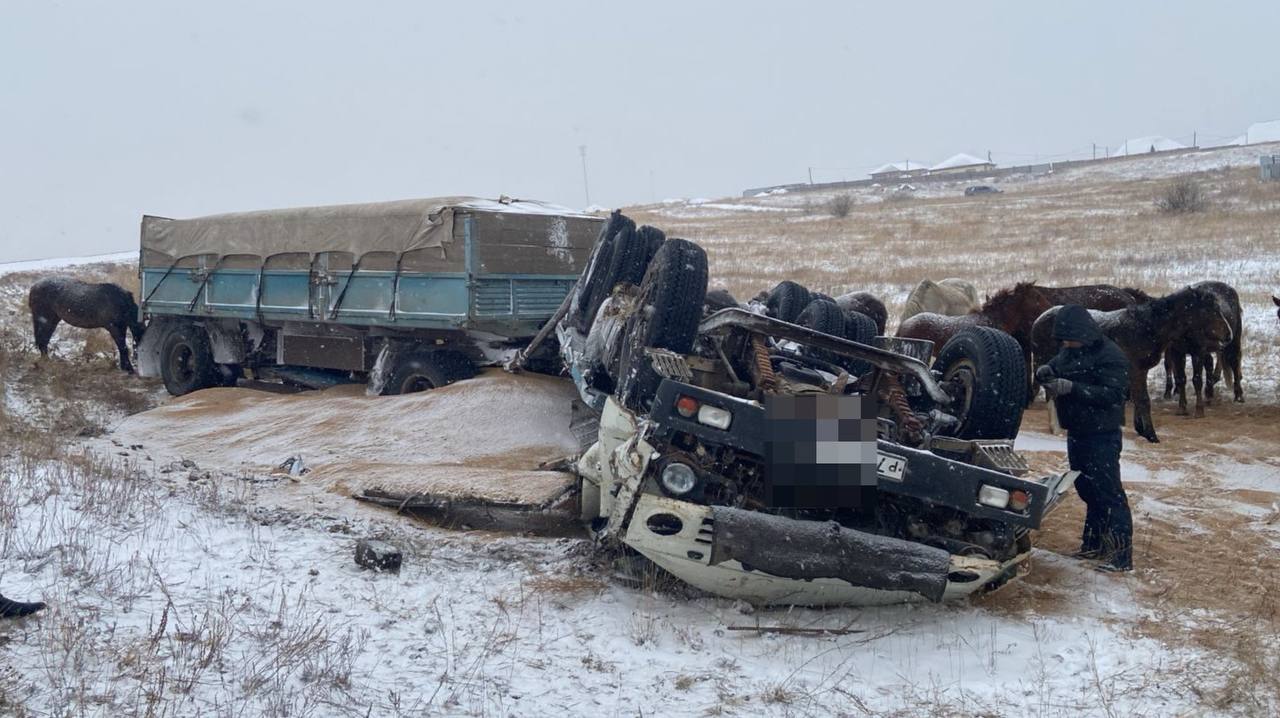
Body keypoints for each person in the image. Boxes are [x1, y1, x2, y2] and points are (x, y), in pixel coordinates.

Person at [1036, 304, 1134, 573]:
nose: (1066, 343)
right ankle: (1093, 544)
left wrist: (1073, 388)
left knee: (1108, 492)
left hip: (1102, 435)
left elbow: (1113, 394)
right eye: (1063, 340)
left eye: (1069, 338)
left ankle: (1121, 555)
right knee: (1087, 490)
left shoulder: (1110, 356)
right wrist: (1046, 371)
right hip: (1077, 432)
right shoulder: (1069, 351)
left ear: (1084, 333)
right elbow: (1056, 366)